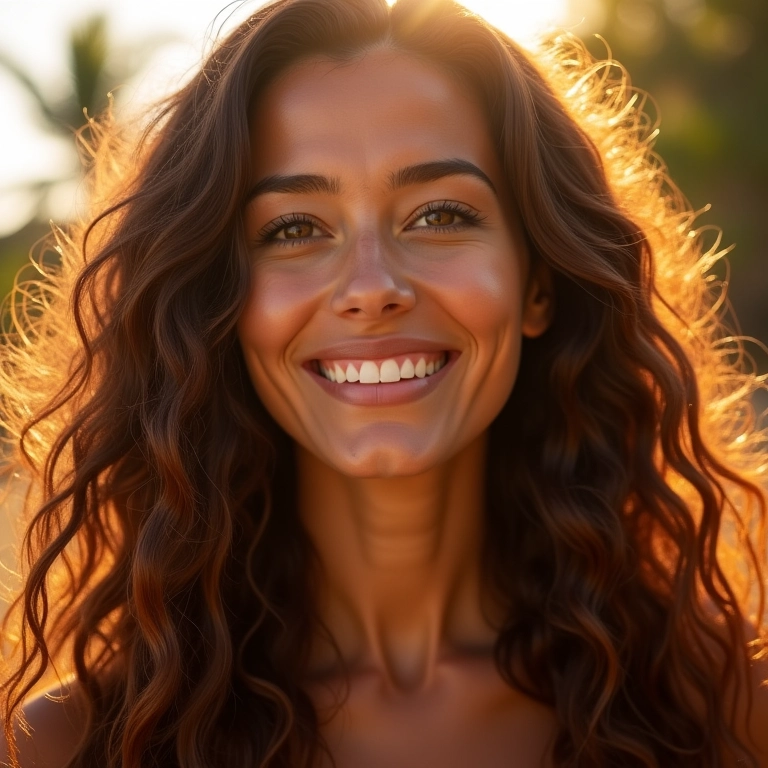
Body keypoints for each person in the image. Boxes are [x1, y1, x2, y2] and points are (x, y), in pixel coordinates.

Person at [1, 0, 767, 765]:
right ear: (220, 306)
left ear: (538, 284)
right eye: (294, 228)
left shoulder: (724, 708)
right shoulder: (68, 746)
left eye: (438, 216)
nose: (371, 286)